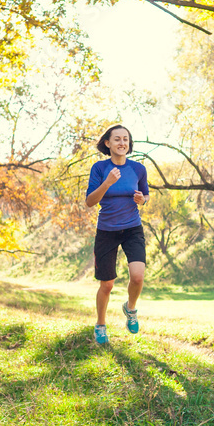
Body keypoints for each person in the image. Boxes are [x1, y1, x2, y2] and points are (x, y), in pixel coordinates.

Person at [85, 124, 149, 344]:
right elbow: (90, 202)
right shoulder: (100, 168)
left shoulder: (138, 169)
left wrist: (143, 199)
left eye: (126, 139)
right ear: (108, 143)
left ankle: (130, 309)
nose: (122, 143)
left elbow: (146, 195)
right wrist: (107, 183)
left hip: (132, 228)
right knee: (107, 284)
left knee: (138, 277)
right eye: (117, 139)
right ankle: (100, 324)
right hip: (107, 231)